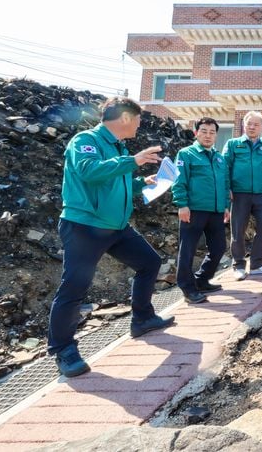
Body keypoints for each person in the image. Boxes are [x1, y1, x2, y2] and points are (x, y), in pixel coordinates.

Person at [48, 97, 174, 377]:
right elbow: (89, 171)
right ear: (126, 118)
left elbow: (116, 177)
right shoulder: (86, 140)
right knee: (74, 288)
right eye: (138, 119)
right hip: (84, 225)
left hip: (116, 226)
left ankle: (142, 318)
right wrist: (133, 161)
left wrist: (143, 180)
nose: (140, 125)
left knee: (149, 263)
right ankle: (63, 350)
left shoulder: (118, 147)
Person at [172, 117, 230, 303]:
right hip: (193, 210)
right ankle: (188, 289)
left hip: (216, 211)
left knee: (219, 247)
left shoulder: (219, 157)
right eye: (204, 131)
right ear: (196, 133)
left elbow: (224, 183)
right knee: (187, 250)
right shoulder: (186, 154)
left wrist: (225, 207)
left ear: (216, 135)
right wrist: (182, 204)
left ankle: (202, 279)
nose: (208, 135)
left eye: (212, 132)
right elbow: (179, 181)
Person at [222, 111, 262, 281]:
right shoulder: (232, 144)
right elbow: (225, 168)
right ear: (244, 125)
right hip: (239, 194)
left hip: (261, 194)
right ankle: (238, 265)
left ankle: (257, 264)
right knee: (238, 231)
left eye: (256, 124)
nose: (252, 127)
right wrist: (227, 188)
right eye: (249, 124)